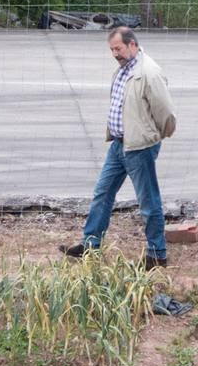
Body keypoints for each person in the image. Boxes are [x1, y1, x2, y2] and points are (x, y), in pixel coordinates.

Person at [61, 27, 177, 270]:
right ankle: (90, 245)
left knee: (148, 201)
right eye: (112, 50)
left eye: (119, 48)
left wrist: (153, 136)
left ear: (132, 45)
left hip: (139, 147)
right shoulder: (125, 69)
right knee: (102, 193)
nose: (115, 53)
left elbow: (165, 113)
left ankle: (157, 255)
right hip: (119, 144)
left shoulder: (149, 73)